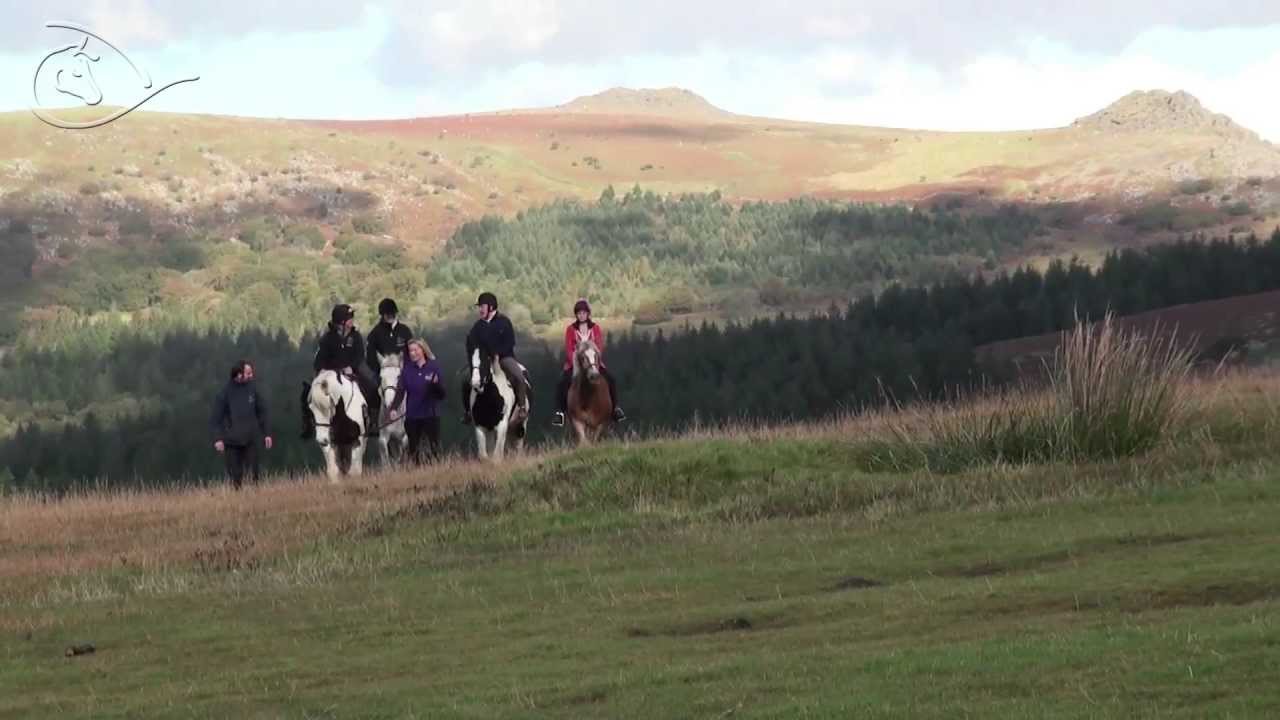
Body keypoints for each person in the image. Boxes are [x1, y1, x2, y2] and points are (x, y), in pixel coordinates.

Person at [461, 291, 530, 425]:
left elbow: (510, 342)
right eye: (479, 307)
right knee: (465, 380)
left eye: (482, 306)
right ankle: (468, 412)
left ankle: (522, 407)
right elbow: (472, 342)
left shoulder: (504, 322)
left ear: (491, 307)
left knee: (519, 377)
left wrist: (497, 354)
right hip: (483, 360)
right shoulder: (478, 326)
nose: (480, 309)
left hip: (503, 358)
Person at [553, 299, 625, 427]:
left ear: (588, 314)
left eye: (584, 313)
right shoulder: (571, 329)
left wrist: (594, 363)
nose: (581, 315)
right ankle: (560, 413)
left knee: (611, 379)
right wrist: (575, 362)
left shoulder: (595, 328)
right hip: (575, 363)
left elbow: (599, 347)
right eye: (579, 313)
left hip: (594, 363)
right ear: (576, 315)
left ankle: (615, 409)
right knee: (562, 382)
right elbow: (569, 348)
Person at [312, 303, 377, 433]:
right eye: (349, 318)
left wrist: (351, 367)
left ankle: (372, 420)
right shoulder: (327, 338)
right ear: (341, 321)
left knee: (372, 388)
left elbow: (359, 355)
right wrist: (324, 370)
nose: (352, 321)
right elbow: (319, 359)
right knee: (308, 392)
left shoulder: (356, 336)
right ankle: (309, 423)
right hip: (330, 374)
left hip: (352, 372)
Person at [210, 360, 272, 490]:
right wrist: (218, 439)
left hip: (251, 440)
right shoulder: (224, 393)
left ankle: (255, 503)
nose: (251, 376)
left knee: (253, 477)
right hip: (231, 442)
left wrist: (267, 434)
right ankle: (238, 505)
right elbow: (216, 419)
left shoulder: (252, 389)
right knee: (235, 479)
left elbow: (262, 412)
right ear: (239, 374)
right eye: (248, 373)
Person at [388, 338, 446, 464]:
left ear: (423, 350)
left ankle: (438, 470)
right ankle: (417, 473)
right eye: (410, 351)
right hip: (413, 416)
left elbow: (442, 395)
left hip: (431, 414)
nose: (413, 353)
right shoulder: (407, 370)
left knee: (434, 447)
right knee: (414, 449)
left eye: (415, 350)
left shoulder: (433, 367)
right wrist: (393, 408)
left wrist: (436, 385)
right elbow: (400, 391)